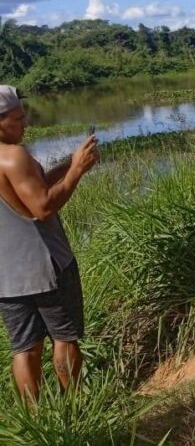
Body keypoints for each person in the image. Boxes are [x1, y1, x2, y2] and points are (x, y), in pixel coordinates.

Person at [0, 86, 98, 402]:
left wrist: (70, 164)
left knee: (24, 346)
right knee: (64, 337)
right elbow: (42, 207)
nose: (24, 123)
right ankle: (75, 409)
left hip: (6, 276)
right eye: (17, 118)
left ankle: (37, 421)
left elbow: (28, 190)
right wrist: (77, 173)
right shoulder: (13, 156)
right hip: (46, 265)